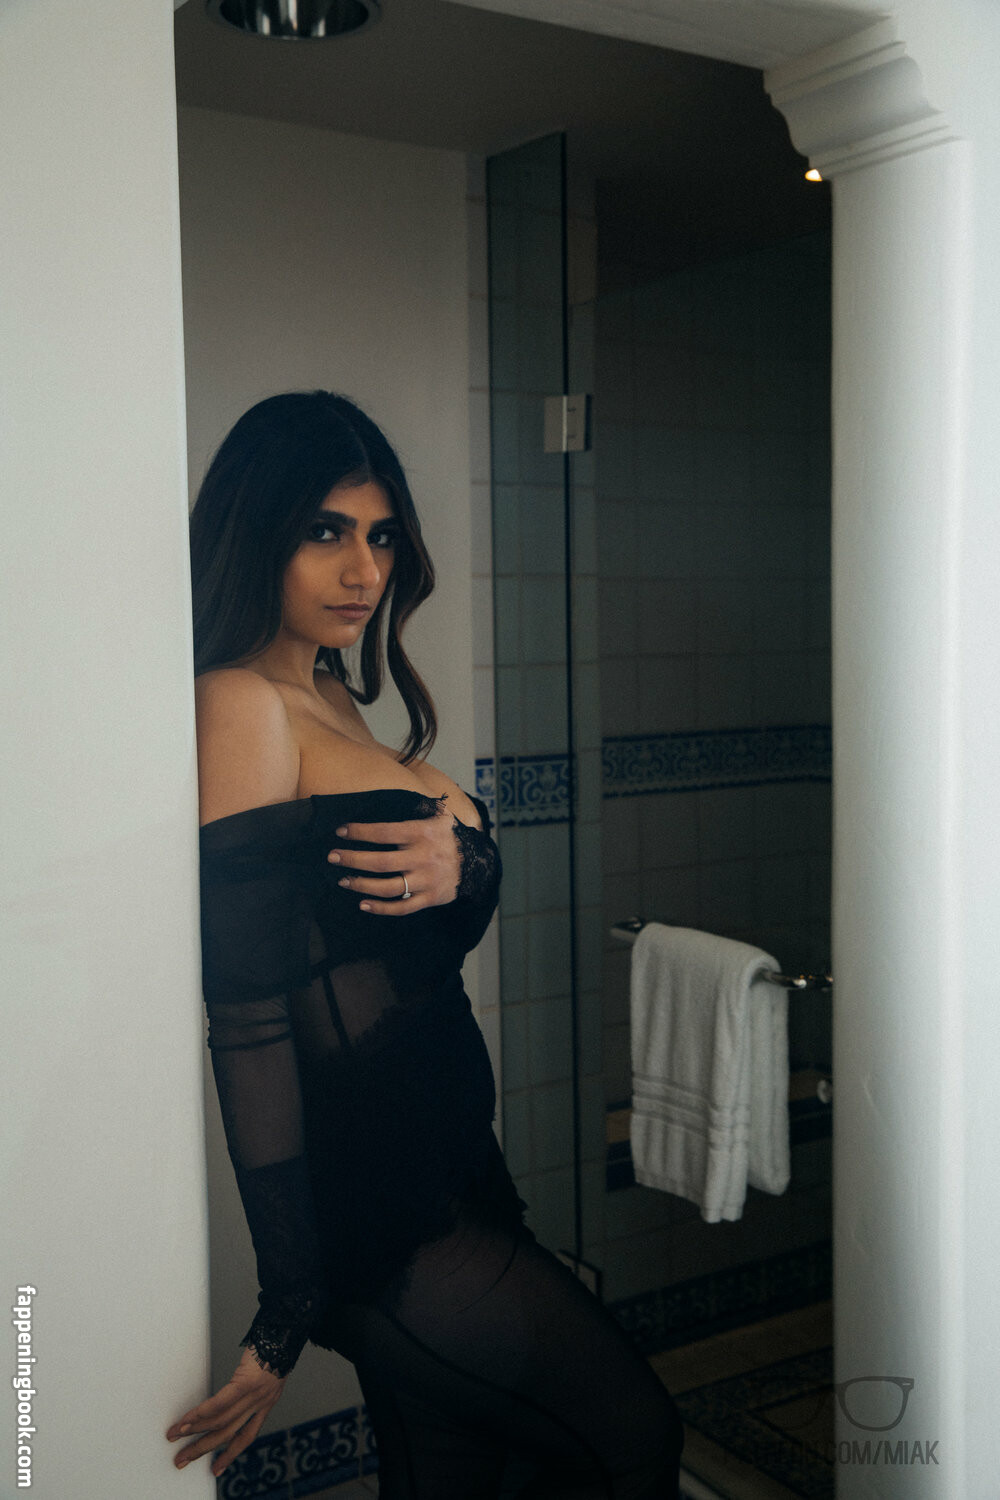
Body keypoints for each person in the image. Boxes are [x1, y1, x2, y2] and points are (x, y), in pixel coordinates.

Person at [165, 391, 684, 1497]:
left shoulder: (331, 697)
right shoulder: (237, 705)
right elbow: (249, 1016)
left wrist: (470, 864)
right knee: (634, 1437)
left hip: (452, 1168)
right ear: (258, 530)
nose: (364, 570)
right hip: (386, 1208)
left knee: (452, 1473)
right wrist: (285, 1308)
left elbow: (414, 948)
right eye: (326, 531)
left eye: (383, 536)